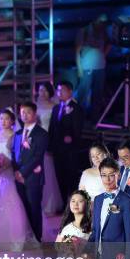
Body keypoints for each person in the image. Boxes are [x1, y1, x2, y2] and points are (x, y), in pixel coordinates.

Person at [0, 109, 34, 251]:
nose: (3, 121)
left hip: (6, 173)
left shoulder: (15, 136)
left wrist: (3, 166)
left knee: (9, 201)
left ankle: (13, 238)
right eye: (1, 118)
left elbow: (16, 156)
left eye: (6, 119)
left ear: (12, 121)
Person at [12, 102, 49, 242]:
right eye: (22, 112)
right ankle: (26, 236)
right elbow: (14, 154)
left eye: (28, 112)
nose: (24, 115)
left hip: (33, 177)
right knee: (23, 208)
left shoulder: (41, 133)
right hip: (18, 176)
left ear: (34, 114)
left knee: (34, 207)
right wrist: (16, 171)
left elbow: (37, 157)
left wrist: (22, 173)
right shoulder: (18, 133)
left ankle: (37, 237)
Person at [49, 81, 85, 210]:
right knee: (60, 177)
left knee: (71, 177)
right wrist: (50, 147)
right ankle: (64, 204)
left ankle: (74, 204)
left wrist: (72, 137)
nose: (59, 93)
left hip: (70, 151)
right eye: (58, 90)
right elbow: (51, 129)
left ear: (70, 91)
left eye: (62, 90)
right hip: (57, 150)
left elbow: (78, 129)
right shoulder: (56, 108)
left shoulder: (76, 108)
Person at [75, 14, 111, 120]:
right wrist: (79, 68)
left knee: (98, 94)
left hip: (100, 67)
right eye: (101, 22)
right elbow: (77, 50)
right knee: (83, 93)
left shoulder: (103, 32)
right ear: (95, 21)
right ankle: (78, 116)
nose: (102, 25)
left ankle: (95, 117)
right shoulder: (84, 31)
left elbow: (109, 44)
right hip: (87, 67)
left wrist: (103, 55)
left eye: (104, 23)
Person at [37, 82, 62, 215]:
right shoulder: (35, 106)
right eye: (40, 90)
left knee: (48, 171)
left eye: (45, 90)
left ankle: (50, 204)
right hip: (37, 141)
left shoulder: (55, 107)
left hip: (49, 139)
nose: (42, 93)